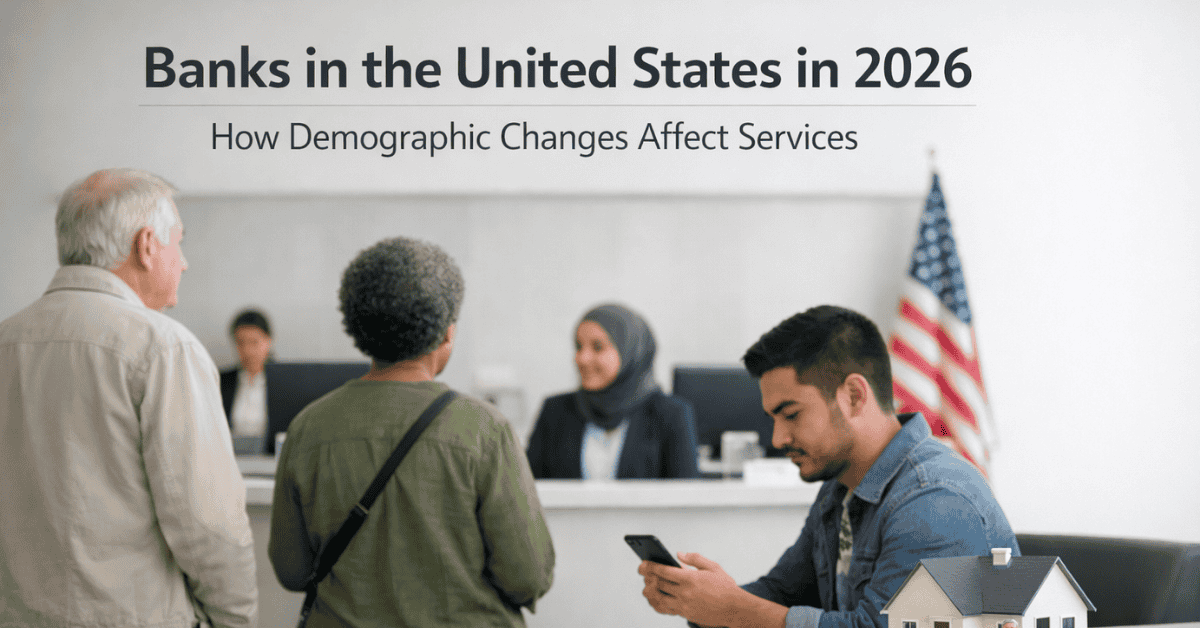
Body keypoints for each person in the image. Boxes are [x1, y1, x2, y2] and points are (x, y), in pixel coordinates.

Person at [638, 305, 1018, 628]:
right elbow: (782, 591)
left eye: (791, 415)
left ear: (853, 396)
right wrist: (697, 601)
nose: (778, 439)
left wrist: (734, 609)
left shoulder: (936, 500)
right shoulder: (839, 488)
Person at [0, 168, 257, 627]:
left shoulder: (6, 341)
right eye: (179, 242)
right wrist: (234, 620)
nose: (184, 262)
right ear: (146, 245)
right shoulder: (163, 348)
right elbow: (207, 523)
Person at [268, 236, 554, 627]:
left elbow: (292, 570)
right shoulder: (485, 429)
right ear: (447, 332)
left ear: (358, 327)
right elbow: (528, 575)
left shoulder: (308, 428)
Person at [525, 303, 700, 480]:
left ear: (630, 351)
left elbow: (685, 498)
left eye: (597, 347)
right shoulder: (555, 411)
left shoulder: (670, 414)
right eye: (579, 347)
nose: (582, 359)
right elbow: (526, 490)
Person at [220, 308, 274, 454]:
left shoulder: (282, 382)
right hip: (229, 457)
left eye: (254, 342)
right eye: (240, 343)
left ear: (268, 341)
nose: (247, 350)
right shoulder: (222, 381)